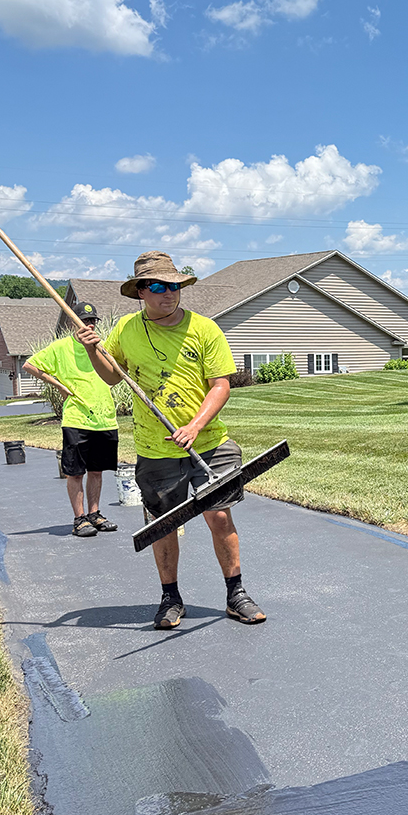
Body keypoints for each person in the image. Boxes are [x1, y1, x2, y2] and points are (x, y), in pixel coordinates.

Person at [75, 251, 265, 631]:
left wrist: (194, 426)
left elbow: (221, 385)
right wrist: (93, 349)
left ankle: (235, 594)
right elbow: (113, 377)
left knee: (220, 515)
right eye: (160, 287)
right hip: (154, 447)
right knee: (163, 526)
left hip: (209, 441)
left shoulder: (204, 329)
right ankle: (170, 598)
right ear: (142, 292)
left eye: (175, 286)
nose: (170, 294)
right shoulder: (128, 330)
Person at [24, 301, 120, 538]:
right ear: (72, 323)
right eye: (83, 321)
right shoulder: (61, 348)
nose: (88, 325)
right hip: (76, 419)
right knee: (75, 472)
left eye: (91, 321)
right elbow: (29, 365)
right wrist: (58, 385)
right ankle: (79, 519)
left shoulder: (103, 347)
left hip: (105, 418)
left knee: (97, 471)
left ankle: (94, 514)